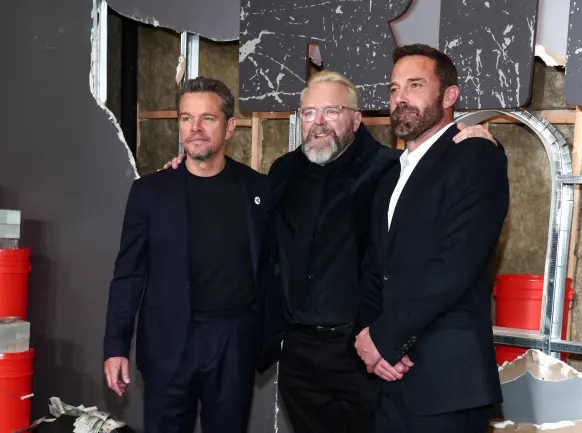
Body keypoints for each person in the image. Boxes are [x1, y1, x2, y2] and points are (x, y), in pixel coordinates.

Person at [162, 71, 498, 433]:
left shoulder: (390, 170)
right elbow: (241, 203)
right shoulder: (283, 171)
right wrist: (185, 170)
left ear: (356, 119)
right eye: (309, 113)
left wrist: (482, 142)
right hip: (298, 356)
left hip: (362, 354)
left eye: (332, 111)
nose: (318, 122)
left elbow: (431, 223)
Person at [354, 43, 509, 433]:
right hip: (388, 378)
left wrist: (385, 338)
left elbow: (455, 264)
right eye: (393, 88)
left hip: (447, 381)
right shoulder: (391, 175)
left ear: (449, 95)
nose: (400, 98)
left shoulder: (474, 155)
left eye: (415, 85)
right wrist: (369, 336)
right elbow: (375, 267)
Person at [103, 77, 269, 433]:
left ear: (229, 128)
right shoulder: (149, 193)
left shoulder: (258, 189)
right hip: (167, 343)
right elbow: (128, 275)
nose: (195, 128)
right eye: (186, 118)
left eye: (207, 118)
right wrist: (116, 346)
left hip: (233, 343)